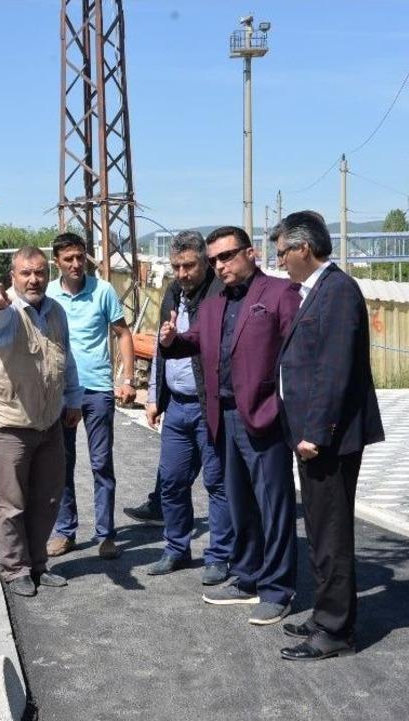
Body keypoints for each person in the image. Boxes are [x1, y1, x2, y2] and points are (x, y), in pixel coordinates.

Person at [159, 226, 300, 626]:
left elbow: (298, 355)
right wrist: (171, 341)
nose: (220, 265)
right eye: (215, 259)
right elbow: (195, 343)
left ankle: (277, 589)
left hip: (264, 417)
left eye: (227, 256)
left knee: (273, 507)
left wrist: (295, 413)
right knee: (240, 505)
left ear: (251, 253)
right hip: (223, 417)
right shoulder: (214, 303)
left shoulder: (278, 294)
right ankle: (248, 576)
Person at [273, 211, 385, 661]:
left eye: (282, 251)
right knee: (320, 530)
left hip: (328, 439)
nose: (278, 260)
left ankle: (335, 630)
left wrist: (316, 431)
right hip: (311, 436)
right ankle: (325, 615)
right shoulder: (314, 291)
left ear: (304, 248)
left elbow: (334, 370)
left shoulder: (337, 291)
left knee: (333, 533)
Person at [0, 246, 82, 597]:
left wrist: (74, 399)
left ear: (48, 274)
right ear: (13, 277)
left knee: (49, 498)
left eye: (39, 272)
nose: (33, 279)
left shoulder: (55, 312)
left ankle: (38, 563)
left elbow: (65, 360)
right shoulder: (5, 312)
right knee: (12, 503)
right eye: (25, 273)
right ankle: (14, 568)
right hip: (9, 424)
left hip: (49, 422)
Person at [132, 232, 233, 585]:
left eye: (189, 265)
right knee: (172, 483)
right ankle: (176, 548)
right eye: (176, 266)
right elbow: (162, 347)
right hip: (176, 407)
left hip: (210, 407)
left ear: (204, 262)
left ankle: (219, 556)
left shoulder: (220, 293)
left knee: (217, 484)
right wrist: (154, 395)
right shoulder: (173, 293)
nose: (183, 272)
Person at [44, 232, 136, 561]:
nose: (75, 263)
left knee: (101, 463)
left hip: (97, 389)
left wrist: (126, 378)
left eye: (80, 257)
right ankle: (65, 531)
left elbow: (123, 333)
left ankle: (106, 534)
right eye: (68, 258)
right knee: (61, 463)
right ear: (57, 261)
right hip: (59, 391)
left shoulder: (103, 290)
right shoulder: (49, 293)